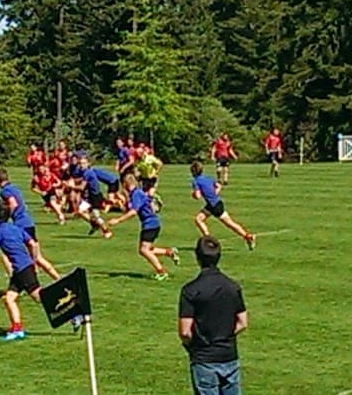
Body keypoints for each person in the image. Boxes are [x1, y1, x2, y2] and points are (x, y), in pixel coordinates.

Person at [179, 236, 248, 395]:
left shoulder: (191, 290)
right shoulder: (232, 287)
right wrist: (225, 335)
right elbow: (243, 322)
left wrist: (194, 345)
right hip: (229, 355)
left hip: (204, 357)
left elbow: (184, 331)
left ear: (197, 257)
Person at [0, 201, 44, 341]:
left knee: (40, 297)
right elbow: (32, 243)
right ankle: (17, 329)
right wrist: (34, 259)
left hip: (22, 269)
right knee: (8, 298)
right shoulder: (16, 228)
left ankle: (73, 313)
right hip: (22, 269)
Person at [108, 174, 179, 281]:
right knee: (146, 249)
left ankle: (162, 272)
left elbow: (133, 212)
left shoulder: (136, 194)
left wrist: (118, 220)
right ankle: (168, 252)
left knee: (144, 250)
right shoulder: (136, 193)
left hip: (150, 224)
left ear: (125, 184)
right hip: (152, 223)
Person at [0, 168, 60, 280]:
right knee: (37, 257)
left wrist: (4, 215)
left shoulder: (4, 191)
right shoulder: (14, 187)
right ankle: (58, 279)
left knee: (8, 256)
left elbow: (13, 204)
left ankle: (16, 283)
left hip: (20, 224)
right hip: (28, 221)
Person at [190, 161, 256, 251]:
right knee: (199, 219)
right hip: (215, 203)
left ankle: (209, 240)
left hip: (214, 206)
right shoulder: (208, 178)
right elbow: (218, 185)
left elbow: (197, 196)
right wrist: (215, 194)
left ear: (193, 172)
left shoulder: (195, 181)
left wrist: (193, 194)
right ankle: (247, 236)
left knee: (229, 224)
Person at [77, 156, 114, 238]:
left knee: (96, 216)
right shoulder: (84, 172)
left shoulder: (88, 172)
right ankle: (94, 224)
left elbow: (82, 187)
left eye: (83, 163)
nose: (81, 165)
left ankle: (107, 231)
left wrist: (70, 186)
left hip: (95, 197)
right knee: (80, 211)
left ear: (88, 164)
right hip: (89, 197)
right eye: (80, 163)